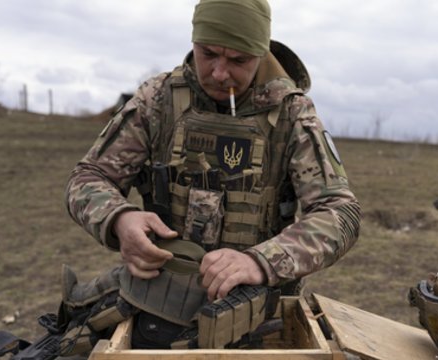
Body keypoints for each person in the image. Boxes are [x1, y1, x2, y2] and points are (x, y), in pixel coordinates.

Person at [64, 0, 361, 350]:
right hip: (157, 305)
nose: (221, 73)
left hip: (258, 312)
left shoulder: (291, 114)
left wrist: (260, 261)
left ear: (261, 52)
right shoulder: (158, 100)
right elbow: (88, 179)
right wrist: (119, 219)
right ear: (193, 42)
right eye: (208, 54)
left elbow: (340, 213)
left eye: (239, 60)